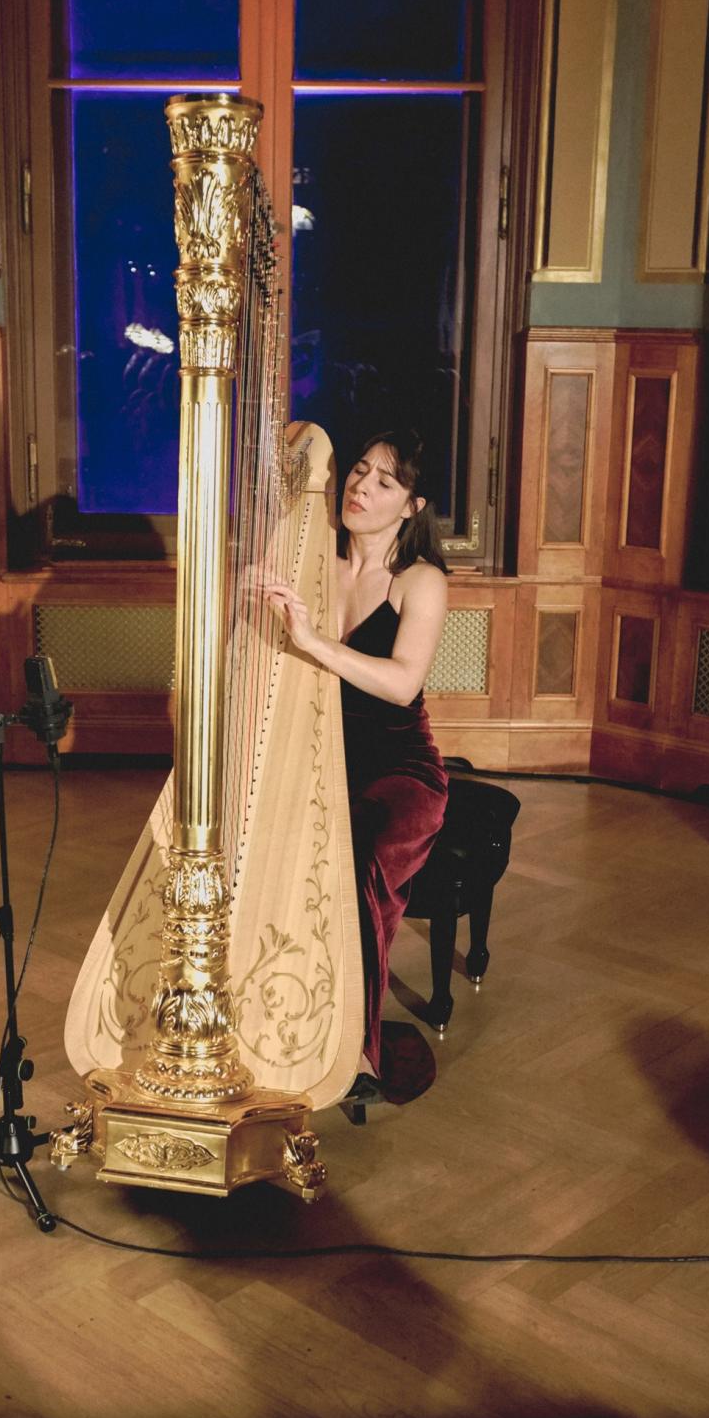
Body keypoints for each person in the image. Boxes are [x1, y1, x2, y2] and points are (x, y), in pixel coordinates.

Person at [266, 430, 449, 1104]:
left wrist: (313, 640)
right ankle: (279, 1016)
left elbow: (402, 684)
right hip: (321, 757)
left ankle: (357, 1051)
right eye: (359, 471)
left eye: (384, 483)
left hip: (400, 771)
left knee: (359, 860)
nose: (362, 487)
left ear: (412, 505)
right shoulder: (314, 561)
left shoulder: (420, 580)